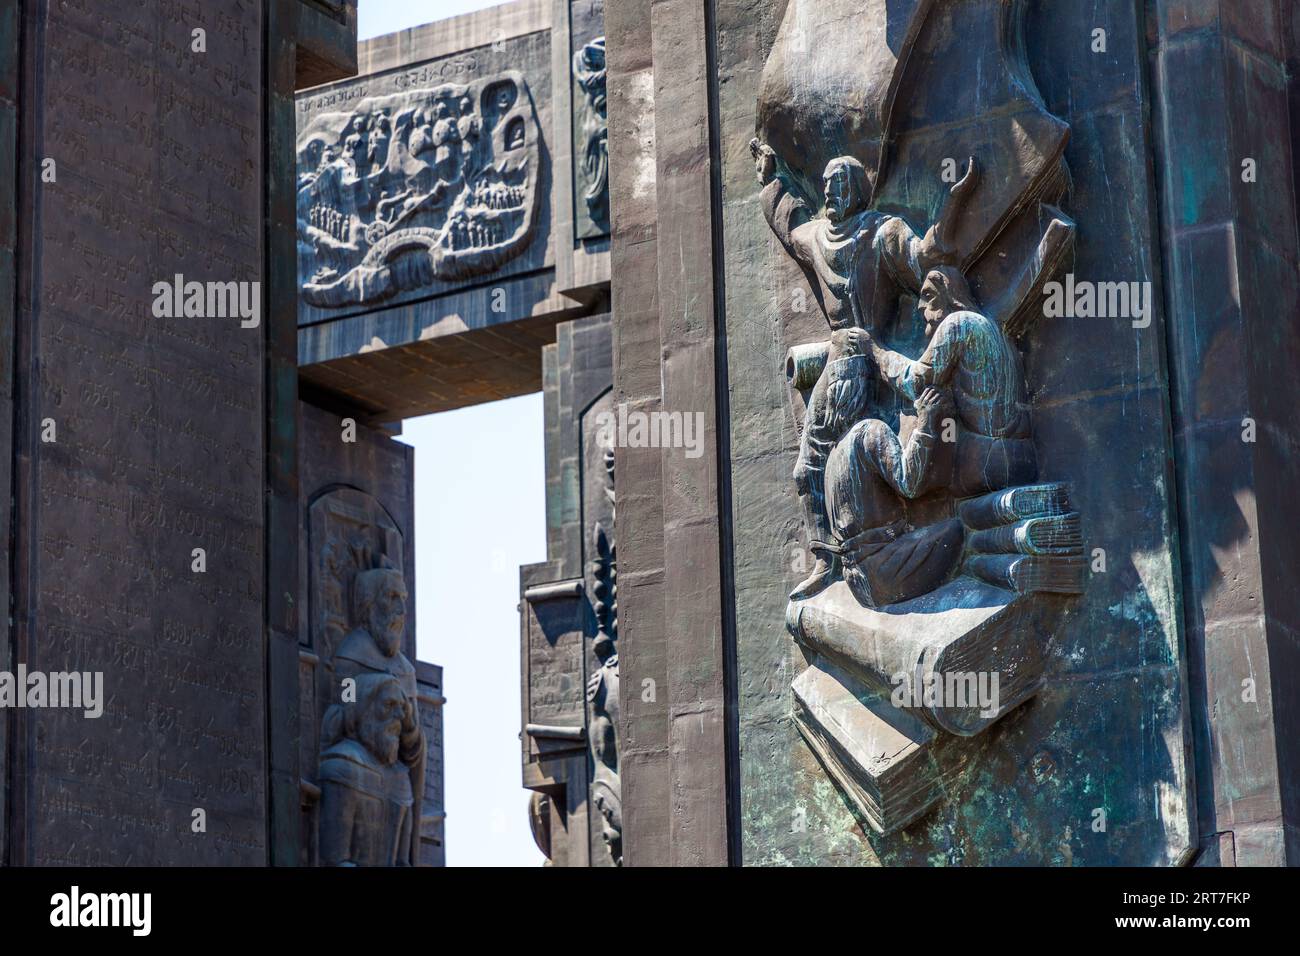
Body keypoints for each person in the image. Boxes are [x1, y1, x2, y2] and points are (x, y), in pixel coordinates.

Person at [751, 138, 977, 598]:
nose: (829, 193)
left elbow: (926, 257)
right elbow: (790, 225)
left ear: (856, 189)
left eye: (838, 185)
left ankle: (885, 553)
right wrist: (771, 179)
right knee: (807, 470)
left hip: (872, 361)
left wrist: (954, 201)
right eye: (825, 186)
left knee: (873, 467)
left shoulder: (882, 232)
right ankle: (824, 558)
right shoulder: (817, 237)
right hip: (837, 363)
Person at [868, 266, 1038, 495]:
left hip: (988, 459)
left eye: (928, 295)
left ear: (950, 295)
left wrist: (874, 350)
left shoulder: (957, 323)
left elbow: (916, 381)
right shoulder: (996, 331)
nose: (920, 306)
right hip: (1023, 457)